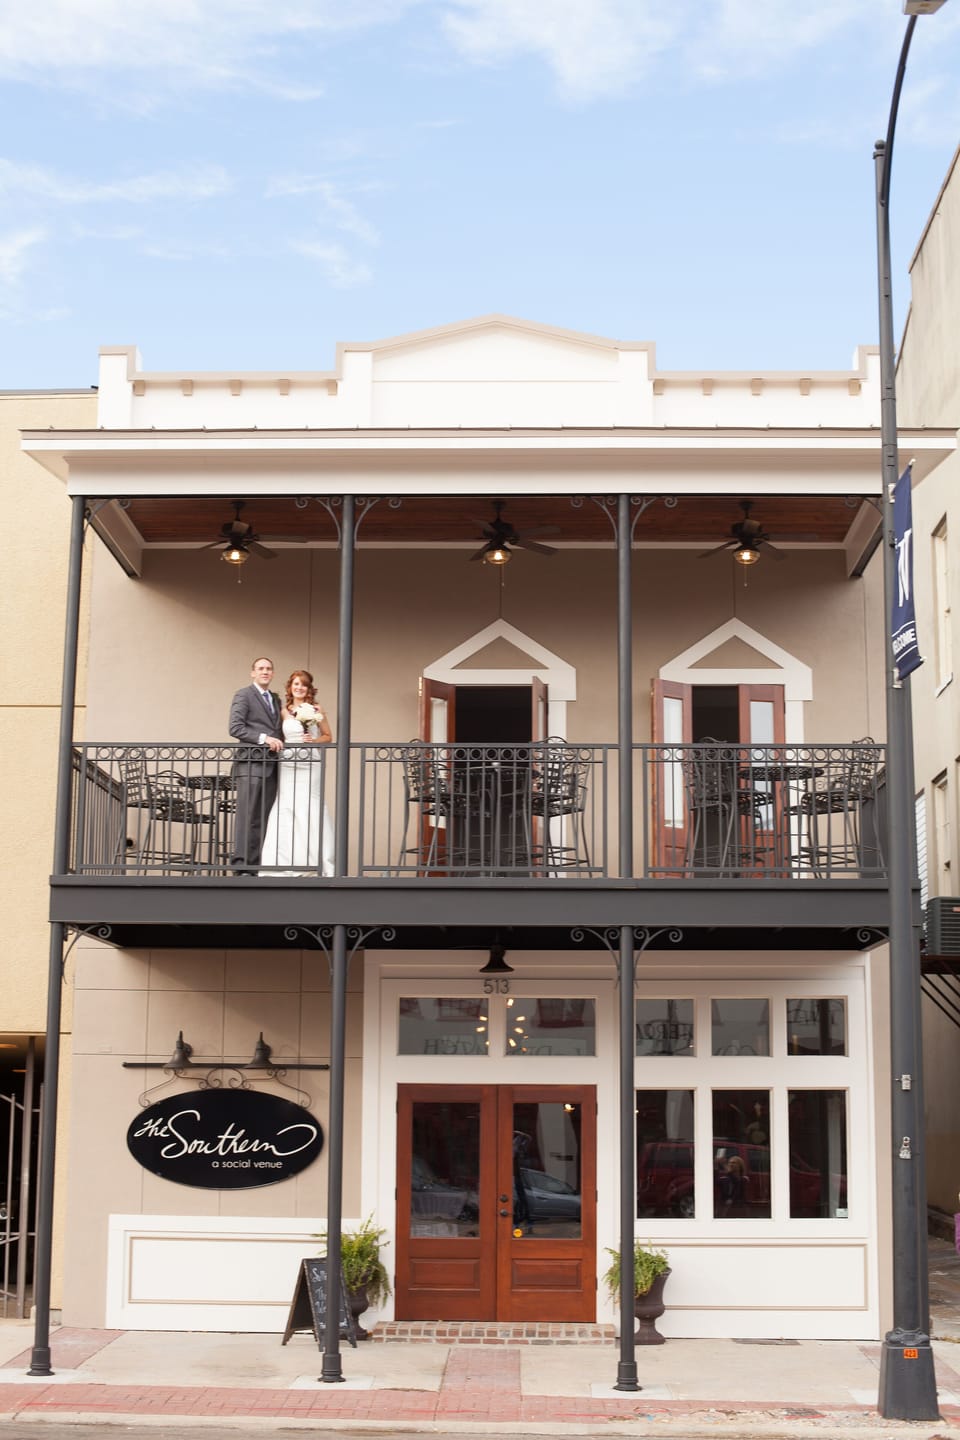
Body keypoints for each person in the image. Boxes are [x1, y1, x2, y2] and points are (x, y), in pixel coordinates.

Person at [259, 669, 334, 877]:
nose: (299, 687)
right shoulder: (284, 711)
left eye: (303, 684)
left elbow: (328, 736)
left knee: (309, 806)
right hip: (289, 763)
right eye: (296, 684)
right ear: (290, 687)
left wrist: (314, 741)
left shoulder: (317, 709)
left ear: (309, 688)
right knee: (286, 806)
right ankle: (283, 862)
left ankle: (316, 862)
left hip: (310, 763)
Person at [228, 657, 284, 874]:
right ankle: (241, 867)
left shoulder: (275, 699)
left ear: (273, 673)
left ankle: (254, 866)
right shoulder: (244, 695)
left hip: (271, 766)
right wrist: (264, 739)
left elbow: (278, 730)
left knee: (262, 818)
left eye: (269, 669)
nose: (265, 672)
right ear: (253, 673)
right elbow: (235, 728)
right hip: (250, 764)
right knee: (247, 816)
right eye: (261, 668)